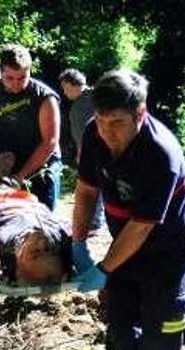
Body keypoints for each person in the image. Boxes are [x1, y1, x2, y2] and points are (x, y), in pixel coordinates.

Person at [71, 69, 185, 350]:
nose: (107, 132)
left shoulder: (161, 153)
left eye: (117, 123)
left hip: (168, 244)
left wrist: (104, 268)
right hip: (125, 236)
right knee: (121, 320)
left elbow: (142, 227)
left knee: (164, 321)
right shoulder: (94, 136)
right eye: (100, 120)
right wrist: (78, 243)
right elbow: (84, 191)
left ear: (140, 115)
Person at [0, 43, 62, 210]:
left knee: (42, 222)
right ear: (1, 72)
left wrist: (19, 178)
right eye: (9, 78)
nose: (16, 84)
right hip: (8, 162)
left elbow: (50, 142)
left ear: (29, 71)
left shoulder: (44, 97)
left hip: (41, 165)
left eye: (22, 77)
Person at [59, 67, 104, 232]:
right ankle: (97, 219)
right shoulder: (98, 95)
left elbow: (81, 136)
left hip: (92, 152)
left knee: (91, 184)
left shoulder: (78, 106)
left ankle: (95, 221)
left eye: (65, 88)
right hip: (110, 149)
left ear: (72, 85)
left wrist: (80, 154)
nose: (64, 93)